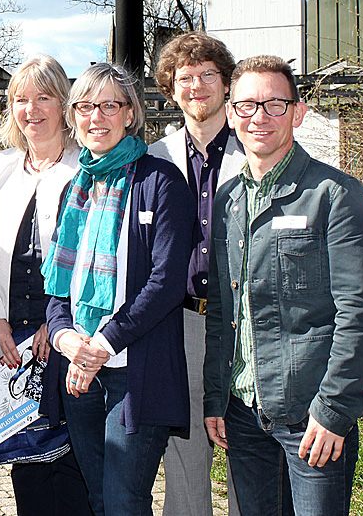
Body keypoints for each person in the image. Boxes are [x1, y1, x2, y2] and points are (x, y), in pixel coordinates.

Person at [203, 55, 363, 516]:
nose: (258, 117)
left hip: (311, 415)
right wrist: (215, 398)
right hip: (242, 412)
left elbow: (361, 312)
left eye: (274, 104)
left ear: (298, 113)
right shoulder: (228, 201)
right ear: (230, 115)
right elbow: (224, 311)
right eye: (245, 105)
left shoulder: (335, 195)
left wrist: (335, 409)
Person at [43, 62, 192, 516]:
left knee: (125, 501)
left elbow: (166, 283)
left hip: (134, 370)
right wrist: (65, 337)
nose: (96, 117)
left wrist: (103, 344)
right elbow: (56, 285)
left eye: (110, 105)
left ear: (130, 114)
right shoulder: (75, 187)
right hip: (79, 369)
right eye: (85, 106)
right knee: (98, 498)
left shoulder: (160, 182)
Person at [0, 55, 89, 516]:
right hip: (12, 336)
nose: (32, 109)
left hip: (65, 333)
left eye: (44, 97)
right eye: (21, 99)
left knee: (72, 460)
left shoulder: (87, 166)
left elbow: (91, 256)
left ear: (64, 104)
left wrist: (56, 318)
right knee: (24, 458)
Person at [146, 32, 243, 516]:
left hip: (245, 324)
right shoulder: (156, 158)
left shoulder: (257, 150)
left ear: (227, 85)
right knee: (184, 451)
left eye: (209, 75)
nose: (197, 86)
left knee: (247, 445)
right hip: (180, 322)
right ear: (170, 89)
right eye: (186, 78)